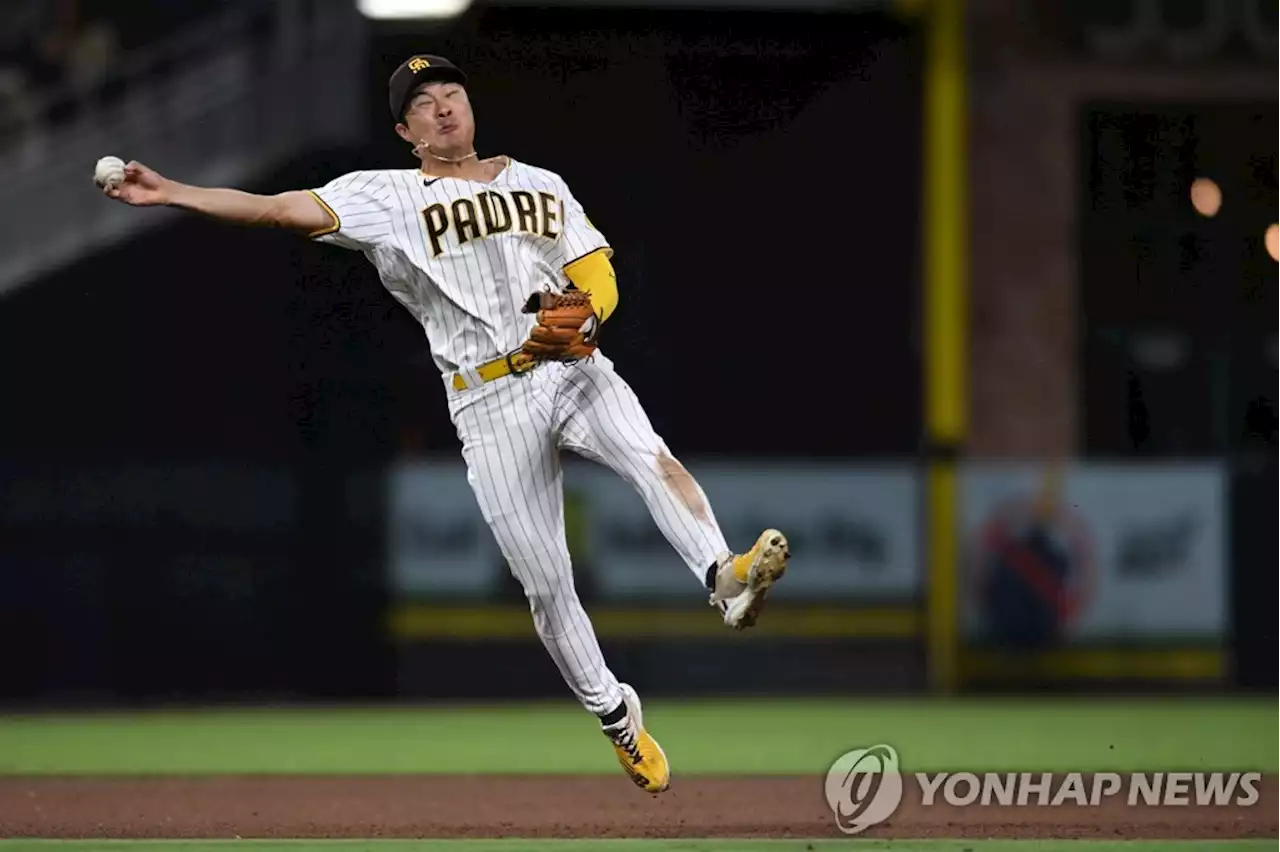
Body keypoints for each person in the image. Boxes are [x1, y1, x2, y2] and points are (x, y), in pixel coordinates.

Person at [100, 54, 789, 794]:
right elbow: (276, 208)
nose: (444, 107)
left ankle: (724, 575)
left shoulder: (540, 184)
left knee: (651, 457)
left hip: (568, 364)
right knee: (546, 584)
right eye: (424, 103)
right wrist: (173, 192)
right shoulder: (387, 196)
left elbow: (595, 271)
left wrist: (587, 313)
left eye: (452, 92)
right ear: (407, 130)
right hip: (486, 398)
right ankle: (618, 716)